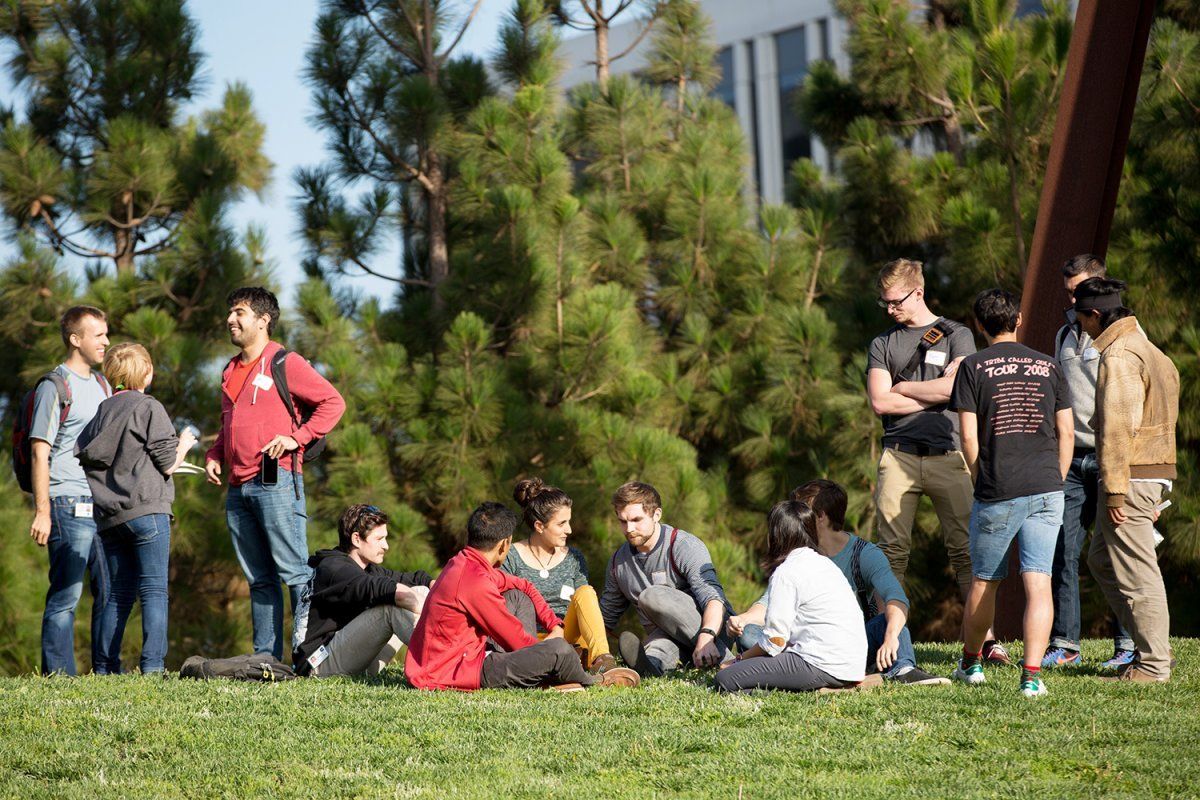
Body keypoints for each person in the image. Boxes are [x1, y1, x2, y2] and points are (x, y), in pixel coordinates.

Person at [866, 259, 1007, 664]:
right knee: (891, 551)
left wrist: (905, 386)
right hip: (899, 456)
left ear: (918, 293)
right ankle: (885, 635)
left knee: (967, 552)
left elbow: (958, 389)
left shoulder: (957, 335)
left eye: (895, 302)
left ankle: (985, 641)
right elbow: (880, 401)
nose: (890, 310)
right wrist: (937, 388)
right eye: (885, 303)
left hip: (950, 456)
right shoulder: (882, 343)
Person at [204, 287, 346, 660]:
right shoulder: (230, 369)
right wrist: (216, 453)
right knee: (259, 579)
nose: (230, 319)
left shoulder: (286, 362)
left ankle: (306, 655)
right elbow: (226, 423)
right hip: (237, 488)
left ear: (264, 320)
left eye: (239, 312)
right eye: (230, 313)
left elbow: (333, 402)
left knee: (296, 573)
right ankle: (265, 658)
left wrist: (296, 437)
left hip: (277, 480)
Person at [949, 289, 1073, 698]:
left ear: (980, 325)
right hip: (1046, 486)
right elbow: (1066, 430)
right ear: (1018, 320)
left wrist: (978, 476)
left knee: (985, 581)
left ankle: (971, 664)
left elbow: (968, 436)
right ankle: (1032, 677)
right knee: (1038, 581)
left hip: (997, 486)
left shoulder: (972, 366)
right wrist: (1055, 476)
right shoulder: (1048, 364)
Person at [727, 480, 949, 686]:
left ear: (820, 517)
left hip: (856, 643)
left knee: (889, 620)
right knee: (749, 634)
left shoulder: (864, 555)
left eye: (802, 511)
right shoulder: (800, 557)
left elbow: (896, 598)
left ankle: (902, 669)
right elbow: (769, 604)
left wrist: (890, 637)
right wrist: (744, 619)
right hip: (806, 644)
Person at [405, 502, 639, 691]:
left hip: (463, 656)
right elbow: (516, 641)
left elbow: (524, 586)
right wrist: (549, 647)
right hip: (451, 671)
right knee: (559, 651)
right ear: (504, 544)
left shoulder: (466, 563)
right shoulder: (474, 581)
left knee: (517, 596)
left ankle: (548, 675)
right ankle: (592, 682)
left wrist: (554, 624)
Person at [1075, 277, 1179, 683]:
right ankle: (1150, 649)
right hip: (1150, 473)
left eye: (1081, 317)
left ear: (1096, 315)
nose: (1080, 326)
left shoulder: (1119, 356)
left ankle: (1154, 664)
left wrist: (1116, 491)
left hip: (1130, 477)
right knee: (1102, 559)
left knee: (1137, 571)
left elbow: (1118, 429)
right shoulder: (1151, 350)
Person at [75, 343, 196, 674]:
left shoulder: (101, 413)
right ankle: (153, 667)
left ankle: (104, 667)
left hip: (111, 518)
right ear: (147, 372)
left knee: (117, 595)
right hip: (148, 512)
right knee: (154, 591)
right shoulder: (148, 406)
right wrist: (185, 443)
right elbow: (168, 463)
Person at [1044, 255, 1135, 670]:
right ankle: (1065, 643)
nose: (1071, 298)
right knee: (1063, 549)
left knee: (1118, 550)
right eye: (1067, 291)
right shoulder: (1065, 332)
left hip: (1112, 457)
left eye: (1077, 290)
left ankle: (1128, 643)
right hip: (1071, 457)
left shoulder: (1124, 337)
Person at [29, 305, 112, 675]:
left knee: (110, 590)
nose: (106, 342)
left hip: (103, 504)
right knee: (67, 595)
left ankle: (107, 669)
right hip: (65, 503)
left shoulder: (103, 385)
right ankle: (59, 676)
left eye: (106, 334)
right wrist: (43, 511)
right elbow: (39, 450)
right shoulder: (54, 386)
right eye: (98, 335)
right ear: (75, 340)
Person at [714, 501, 867, 693]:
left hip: (821, 663)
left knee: (725, 680)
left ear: (776, 535)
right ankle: (817, 687)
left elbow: (775, 641)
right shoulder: (824, 563)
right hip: (851, 666)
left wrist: (736, 661)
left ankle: (809, 690)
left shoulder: (787, 572)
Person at [600, 481, 734, 676]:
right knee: (650, 654)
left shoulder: (683, 545)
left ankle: (730, 662)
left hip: (712, 630)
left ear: (657, 515)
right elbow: (606, 617)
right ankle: (649, 669)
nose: (629, 528)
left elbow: (713, 598)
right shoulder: (617, 563)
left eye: (637, 519)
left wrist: (707, 636)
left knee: (651, 596)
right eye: (623, 521)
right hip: (667, 636)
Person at [296, 504, 433, 677]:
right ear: (356, 539)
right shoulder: (333, 568)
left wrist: (434, 583)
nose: (386, 546)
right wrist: (431, 611)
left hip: (347, 657)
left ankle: (450, 657)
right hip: (318, 665)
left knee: (420, 590)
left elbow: (416, 580)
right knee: (390, 607)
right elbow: (387, 590)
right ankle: (443, 663)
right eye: (379, 539)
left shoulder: (367, 568)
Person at [502, 478, 618, 674]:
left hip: (566, 636)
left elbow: (583, 608)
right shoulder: (511, 556)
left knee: (586, 592)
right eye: (561, 523)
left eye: (569, 522)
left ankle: (603, 661)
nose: (569, 530)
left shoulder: (574, 558)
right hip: (528, 641)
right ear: (539, 526)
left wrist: (562, 635)